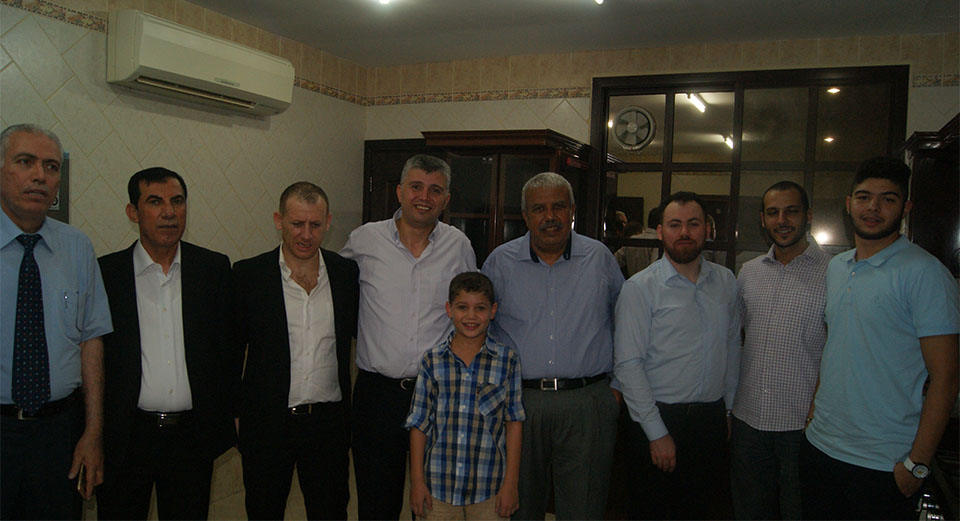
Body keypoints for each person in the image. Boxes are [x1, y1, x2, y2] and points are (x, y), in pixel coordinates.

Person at [801, 157, 959, 520]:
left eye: (888, 199)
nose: (873, 207)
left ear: (905, 208)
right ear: (848, 204)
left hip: (883, 464)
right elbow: (838, 344)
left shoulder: (926, 273)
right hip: (820, 448)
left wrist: (917, 464)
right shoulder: (837, 267)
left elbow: (947, 378)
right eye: (864, 197)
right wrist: (813, 413)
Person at [482, 172, 624, 520]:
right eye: (539, 209)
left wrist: (617, 387)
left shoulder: (599, 258)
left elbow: (626, 322)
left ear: (572, 211)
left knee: (584, 507)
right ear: (525, 216)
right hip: (519, 402)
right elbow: (482, 327)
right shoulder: (499, 262)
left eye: (558, 207)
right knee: (519, 505)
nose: (550, 217)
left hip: (587, 401)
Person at [341, 155, 476, 520]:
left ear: (446, 199)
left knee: (433, 505)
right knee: (376, 503)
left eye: (435, 190)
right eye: (416, 187)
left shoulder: (459, 246)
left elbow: (472, 314)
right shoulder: (364, 240)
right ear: (400, 192)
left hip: (438, 395)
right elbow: (335, 292)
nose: (424, 197)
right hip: (377, 396)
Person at [96, 167, 236, 520]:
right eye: (155, 202)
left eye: (177, 201)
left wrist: (228, 414)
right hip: (127, 438)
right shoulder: (107, 274)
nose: (169, 212)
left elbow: (227, 348)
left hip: (191, 438)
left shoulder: (212, 269)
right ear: (133, 212)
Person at [0, 124, 112, 520]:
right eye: (25, 162)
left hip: (59, 433)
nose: (39, 176)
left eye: (51, 167)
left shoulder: (77, 247)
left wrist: (93, 433)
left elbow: (91, 341)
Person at [233, 182, 359, 520]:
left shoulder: (346, 274)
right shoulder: (249, 275)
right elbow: (231, 351)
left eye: (315, 224)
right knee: (264, 510)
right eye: (297, 224)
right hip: (268, 423)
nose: (306, 234)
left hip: (328, 424)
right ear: (279, 221)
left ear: (327, 222)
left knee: (331, 512)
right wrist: (235, 412)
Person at [614, 191, 740, 520]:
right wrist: (657, 433)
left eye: (693, 224)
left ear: (707, 229)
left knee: (702, 511)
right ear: (660, 232)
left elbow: (731, 347)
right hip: (656, 418)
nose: (684, 232)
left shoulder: (726, 282)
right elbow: (628, 365)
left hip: (710, 420)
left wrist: (728, 410)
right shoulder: (639, 288)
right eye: (674, 224)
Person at [730, 181, 831, 520]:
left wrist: (816, 414)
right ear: (763, 219)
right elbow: (732, 339)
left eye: (791, 211)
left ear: (808, 216)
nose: (782, 220)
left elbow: (841, 352)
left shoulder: (835, 273)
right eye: (773, 213)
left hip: (802, 427)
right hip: (748, 421)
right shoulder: (748, 272)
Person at [405, 272, 524, 520]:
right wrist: (417, 482)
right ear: (449, 309)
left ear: (493, 311)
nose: (471, 316)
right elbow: (419, 424)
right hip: (438, 489)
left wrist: (511, 483)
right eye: (462, 307)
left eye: (480, 308)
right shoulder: (432, 361)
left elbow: (513, 422)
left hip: (489, 490)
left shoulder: (507, 361)